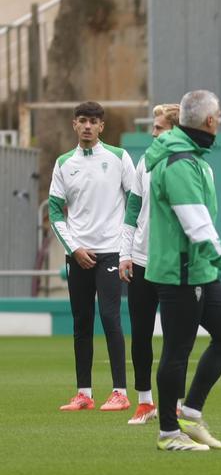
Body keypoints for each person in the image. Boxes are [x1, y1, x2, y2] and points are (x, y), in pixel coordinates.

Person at [144, 90, 221, 452]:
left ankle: (190, 412)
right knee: (177, 350)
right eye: (218, 115)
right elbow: (197, 225)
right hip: (181, 271)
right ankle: (168, 433)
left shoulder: (194, 159)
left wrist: (217, 265)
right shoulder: (179, 164)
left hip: (199, 268)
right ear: (210, 120)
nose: (219, 120)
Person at [48, 101, 137, 412]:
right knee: (81, 322)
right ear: (74, 124)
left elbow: (135, 201)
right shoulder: (63, 163)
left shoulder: (118, 157)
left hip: (111, 250)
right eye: (82, 120)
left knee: (110, 317)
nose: (87, 126)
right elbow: (55, 211)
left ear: (102, 126)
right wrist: (74, 248)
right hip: (78, 254)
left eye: (93, 121)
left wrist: (128, 245)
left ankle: (120, 392)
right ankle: (84, 393)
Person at [117, 103, 180, 425]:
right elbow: (133, 209)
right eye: (153, 127)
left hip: (171, 262)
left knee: (174, 338)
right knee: (140, 335)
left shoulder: (187, 165)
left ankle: (176, 402)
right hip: (141, 261)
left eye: (159, 128)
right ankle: (144, 402)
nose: (152, 133)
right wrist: (124, 254)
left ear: (175, 130)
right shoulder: (145, 161)